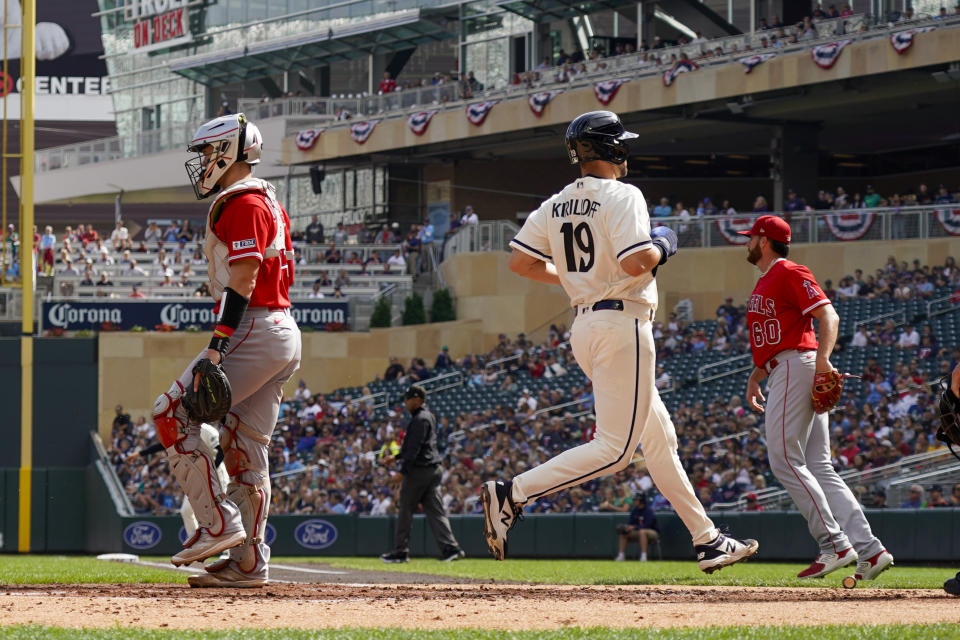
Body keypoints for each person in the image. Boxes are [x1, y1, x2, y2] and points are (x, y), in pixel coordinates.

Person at [482, 110, 758, 574]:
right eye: (620, 143)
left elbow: (521, 264)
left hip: (587, 325)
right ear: (610, 149)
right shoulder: (623, 194)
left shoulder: (555, 203)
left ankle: (707, 540)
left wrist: (578, 280)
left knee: (661, 440)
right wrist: (666, 242)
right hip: (622, 324)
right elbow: (637, 263)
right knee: (615, 450)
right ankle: (513, 492)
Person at [152, 112, 301, 588]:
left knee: (171, 412)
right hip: (279, 328)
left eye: (206, 153)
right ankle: (249, 563)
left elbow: (245, 276)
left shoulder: (242, 201)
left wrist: (218, 345)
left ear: (227, 152)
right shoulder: (264, 199)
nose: (202, 163)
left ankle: (217, 524)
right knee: (245, 449)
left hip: (254, 325)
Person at [741, 215, 893, 583]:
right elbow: (779, 336)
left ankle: (835, 545)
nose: (746, 243)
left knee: (782, 459)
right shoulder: (766, 280)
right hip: (783, 366)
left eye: (751, 237)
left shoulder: (790, 271)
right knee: (818, 466)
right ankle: (870, 550)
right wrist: (755, 376)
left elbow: (829, 316)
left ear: (764, 241)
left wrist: (823, 360)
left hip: (797, 366)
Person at [380, 385, 465, 563]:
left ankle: (400, 551)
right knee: (435, 511)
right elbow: (416, 447)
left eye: (408, 399)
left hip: (420, 471)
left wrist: (402, 473)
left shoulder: (420, 419)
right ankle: (451, 548)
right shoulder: (427, 416)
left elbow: (414, 449)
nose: (405, 403)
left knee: (405, 509)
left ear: (417, 399)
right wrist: (395, 457)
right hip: (432, 470)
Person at [614, 493, 659, 561]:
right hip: (637, 531)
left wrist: (634, 527)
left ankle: (644, 556)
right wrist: (627, 527)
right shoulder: (634, 510)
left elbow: (647, 525)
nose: (634, 501)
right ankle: (621, 555)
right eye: (634, 500)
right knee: (624, 533)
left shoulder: (648, 510)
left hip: (652, 532)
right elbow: (630, 523)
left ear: (641, 500)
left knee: (642, 532)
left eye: (636, 500)